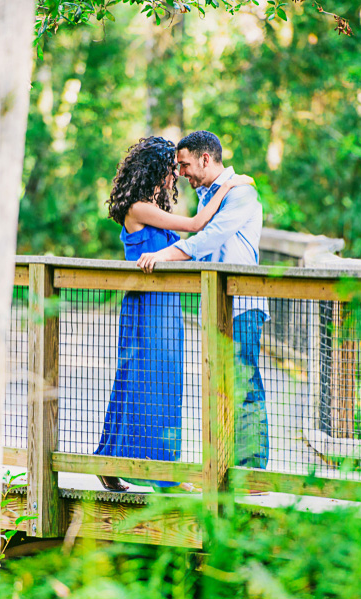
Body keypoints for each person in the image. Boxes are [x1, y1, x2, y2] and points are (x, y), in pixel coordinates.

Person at [95, 136, 254, 492]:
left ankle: (116, 461)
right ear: (155, 170)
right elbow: (198, 226)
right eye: (171, 170)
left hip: (168, 304)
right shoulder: (138, 207)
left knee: (162, 382)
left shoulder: (155, 208)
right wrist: (229, 185)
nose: (176, 177)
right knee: (144, 380)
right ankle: (158, 474)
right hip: (148, 305)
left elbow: (191, 245)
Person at [136, 130, 270, 472]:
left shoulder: (242, 192)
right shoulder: (208, 194)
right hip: (213, 306)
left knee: (244, 385)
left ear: (205, 159)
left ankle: (252, 471)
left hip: (242, 306)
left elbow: (208, 239)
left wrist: (163, 255)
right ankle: (222, 470)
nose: (181, 173)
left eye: (184, 165)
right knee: (218, 390)